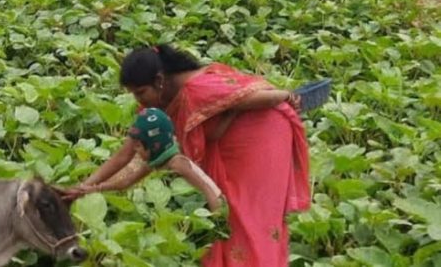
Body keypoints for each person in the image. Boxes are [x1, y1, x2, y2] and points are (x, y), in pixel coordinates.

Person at [70, 45, 310, 266]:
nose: (138, 100)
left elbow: (256, 96)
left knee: (250, 217)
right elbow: (126, 156)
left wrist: (285, 96)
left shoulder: (195, 90)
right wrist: (85, 187)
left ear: (159, 80)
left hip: (262, 135)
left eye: (140, 92)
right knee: (234, 217)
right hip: (229, 142)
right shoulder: (156, 112)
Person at [65, 107, 225, 212]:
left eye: (138, 146)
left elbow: (207, 189)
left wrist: (218, 221)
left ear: (154, 145)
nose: (134, 151)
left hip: (213, 206)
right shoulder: (156, 162)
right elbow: (126, 182)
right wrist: (95, 188)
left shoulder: (178, 163)